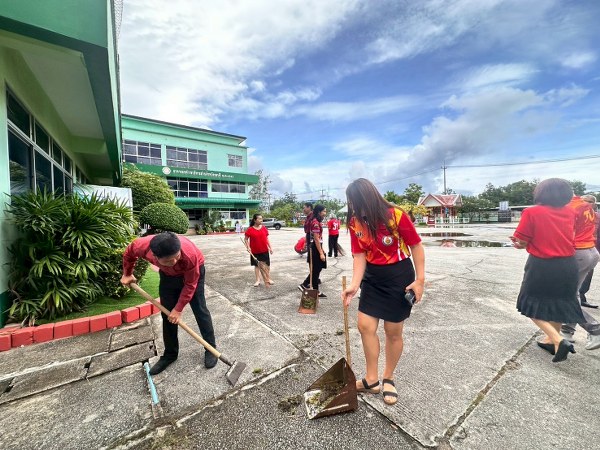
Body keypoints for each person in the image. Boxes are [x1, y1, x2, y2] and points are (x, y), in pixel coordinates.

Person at [341, 178, 425, 405]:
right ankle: (371, 379)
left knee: (393, 331)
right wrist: (354, 285)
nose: (353, 208)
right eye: (351, 203)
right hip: (372, 278)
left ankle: (388, 377)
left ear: (367, 198)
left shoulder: (395, 215)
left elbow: (416, 246)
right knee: (365, 326)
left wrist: (420, 280)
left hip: (399, 277)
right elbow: (359, 256)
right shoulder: (355, 222)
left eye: (356, 202)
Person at [120, 231, 217, 375]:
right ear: (155, 256)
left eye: (177, 256)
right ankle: (170, 354)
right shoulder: (142, 246)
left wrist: (178, 309)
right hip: (168, 276)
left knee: (200, 309)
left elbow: (190, 285)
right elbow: (129, 253)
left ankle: (211, 349)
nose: (174, 262)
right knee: (167, 315)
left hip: (193, 272)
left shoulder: (189, 255)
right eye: (168, 261)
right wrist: (127, 273)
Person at [510, 178, 585, 362]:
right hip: (568, 264)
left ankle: (558, 339)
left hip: (542, 265)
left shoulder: (532, 212)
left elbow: (522, 241)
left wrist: (518, 244)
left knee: (529, 304)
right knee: (559, 303)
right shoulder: (570, 212)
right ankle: (552, 342)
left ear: (541, 193)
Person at [560, 194, 600, 350]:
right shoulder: (586, 207)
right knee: (573, 293)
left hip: (578, 253)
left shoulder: (569, 208)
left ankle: (594, 329)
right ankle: (567, 331)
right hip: (590, 251)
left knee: (563, 295)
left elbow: (566, 233)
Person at [299, 204, 328, 297]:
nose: (325, 213)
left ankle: (307, 285)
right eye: (324, 211)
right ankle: (311, 288)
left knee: (317, 269)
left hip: (316, 247)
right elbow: (316, 239)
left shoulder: (316, 221)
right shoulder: (315, 222)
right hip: (314, 248)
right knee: (316, 269)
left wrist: (322, 249)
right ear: (319, 212)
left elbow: (319, 238)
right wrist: (321, 253)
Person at [579, 198, 600, 308]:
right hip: (577, 249)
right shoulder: (576, 214)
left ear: (594, 204)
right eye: (584, 201)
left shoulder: (597, 217)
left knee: (587, 274)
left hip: (591, 249)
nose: (586, 203)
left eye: (589, 201)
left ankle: (581, 296)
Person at [244, 214, 274, 287]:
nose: (261, 220)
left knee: (267, 266)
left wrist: (270, 247)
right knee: (257, 266)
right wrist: (248, 247)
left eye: (261, 219)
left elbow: (266, 239)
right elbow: (246, 239)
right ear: (255, 220)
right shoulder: (250, 229)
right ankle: (258, 280)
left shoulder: (264, 228)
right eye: (259, 219)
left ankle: (268, 279)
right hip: (255, 251)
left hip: (264, 250)